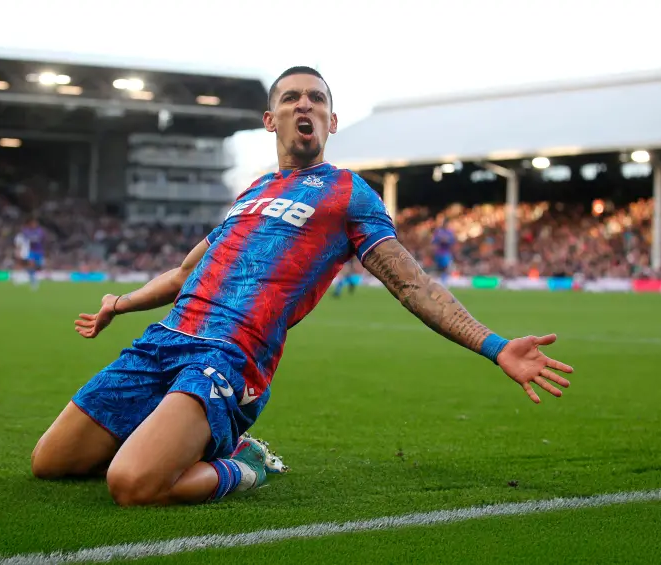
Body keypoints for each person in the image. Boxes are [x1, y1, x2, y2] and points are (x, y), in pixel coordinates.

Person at [31, 66, 574, 507]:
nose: (304, 105)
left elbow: (413, 284)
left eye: (316, 98)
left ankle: (242, 463)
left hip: (228, 359)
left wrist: (496, 346)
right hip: (163, 341)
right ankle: (176, 435)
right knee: (51, 463)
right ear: (271, 118)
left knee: (132, 486)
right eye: (291, 98)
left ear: (332, 121)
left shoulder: (348, 195)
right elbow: (181, 275)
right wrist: (118, 305)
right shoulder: (253, 192)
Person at [19, 218, 45, 289]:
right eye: (32, 223)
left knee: (39, 267)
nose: (33, 225)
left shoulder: (39, 231)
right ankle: (33, 281)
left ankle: (35, 278)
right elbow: (25, 236)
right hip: (31, 251)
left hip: (39, 251)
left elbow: (38, 238)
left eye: (35, 223)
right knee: (30, 264)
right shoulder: (27, 231)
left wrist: (31, 238)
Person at [432, 218, 455, 283]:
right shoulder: (438, 231)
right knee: (440, 269)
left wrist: (445, 240)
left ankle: (443, 282)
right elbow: (434, 241)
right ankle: (439, 282)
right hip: (439, 253)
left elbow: (452, 241)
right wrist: (441, 239)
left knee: (446, 268)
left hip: (446, 253)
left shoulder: (450, 232)